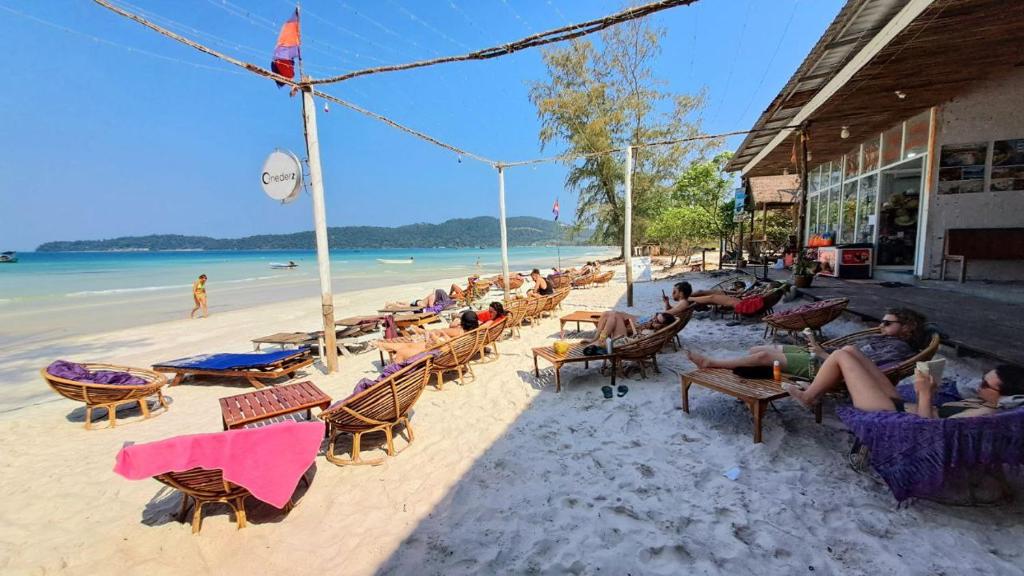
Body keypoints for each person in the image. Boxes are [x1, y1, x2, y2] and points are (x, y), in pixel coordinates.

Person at [688, 307, 926, 377]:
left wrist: (822, 353)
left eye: (888, 323)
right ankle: (770, 371)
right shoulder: (885, 339)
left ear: (906, 328)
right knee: (756, 349)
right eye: (882, 321)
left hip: (827, 367)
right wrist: (818, 346)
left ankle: (712, 363)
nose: (881, 325)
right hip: (825, 355)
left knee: (762, 357)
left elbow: (862, 370)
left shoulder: (898, 348)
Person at [785, 354, 1024, 419]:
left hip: (891, 412)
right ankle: (815, 388)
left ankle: (809, 397)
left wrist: (925, 393)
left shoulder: (985, 413)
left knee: (840, 356)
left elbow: (928, 430)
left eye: (985, 384)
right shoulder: (985, 403)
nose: (979, 384)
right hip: (900, 404)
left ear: (1002, 394)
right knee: (850, 351)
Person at [377, 310, 480, 363]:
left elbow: (442, 331)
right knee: (412, 345)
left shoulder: (458, 331)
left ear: (463, 322)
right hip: (454, 355)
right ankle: (385, 345)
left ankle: (421, 332)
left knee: (412, 346)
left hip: (443, 357)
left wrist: (436, 335)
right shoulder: (475, 332)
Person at [583, 312, 675, 346]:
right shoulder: (650, 326)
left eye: (657, 321)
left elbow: (637, 340)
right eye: (655, 316)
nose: (653, 320)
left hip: (624, 343)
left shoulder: (652, 333)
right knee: (607, 314)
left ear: (663, 326)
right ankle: (595, 338)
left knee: (614, 316)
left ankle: (600, 340)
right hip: (625, 339)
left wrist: (638, 328)